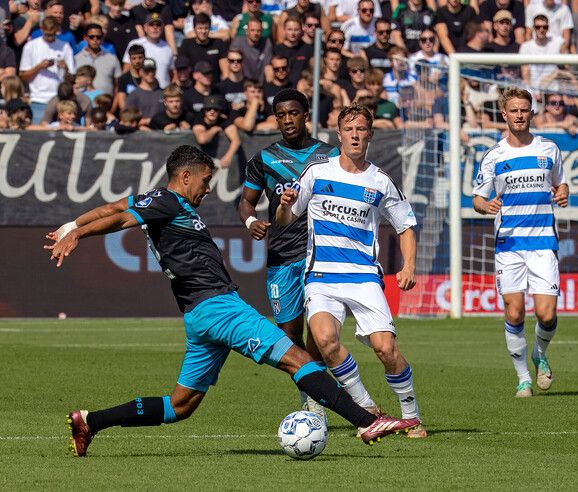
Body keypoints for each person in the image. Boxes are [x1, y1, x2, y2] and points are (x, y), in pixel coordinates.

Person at [45, 145, 419, 457]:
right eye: (206, 181)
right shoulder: (168, 202)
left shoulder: (160, 201)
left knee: (181, 406)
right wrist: (80, 236)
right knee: (299, 358)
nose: (208, 189)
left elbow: (113, 208)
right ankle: (367, 421)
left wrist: (72, 225)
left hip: (199, 316)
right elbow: (120, 219)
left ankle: (89, 421)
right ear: (186, 176)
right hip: (219, 307)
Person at [274, 103, 427, 439]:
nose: (355, 135)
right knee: (326, 341)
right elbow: (286, 219)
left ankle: (412, 415)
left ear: (369, 135)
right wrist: (284, 206)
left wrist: (409, 266)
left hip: (363, 278)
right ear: (339, 135)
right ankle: (368, 409)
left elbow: (406, 226)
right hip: (321, 277)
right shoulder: (317, 172)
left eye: (362, 130)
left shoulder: (381, 181)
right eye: (350, 129)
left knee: (386, 349)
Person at [238, 89, 339, 417]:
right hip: (282, 256)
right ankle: (310, 384)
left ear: (306, 115)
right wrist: (251, 220)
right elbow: (246, 202)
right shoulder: (264, 159)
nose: (287, 120)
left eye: (293, 113)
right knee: (289, 335)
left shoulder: (329, 156)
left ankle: (315, 395)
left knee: (321, 330)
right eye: (281, 115)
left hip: (320, 254)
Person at [471, 87, 568, 398]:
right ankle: (523, 377)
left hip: (542, 242)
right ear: (504, 114)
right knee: (514, 314)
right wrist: (485, 206)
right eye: (513, 110)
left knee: (547, 315)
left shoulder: (549, 149)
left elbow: (560, 181)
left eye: (524, 110)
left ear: (531, 112)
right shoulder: (494, 156)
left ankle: (539, 352)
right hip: (509, 245)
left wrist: (563, 191)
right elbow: (477, 198)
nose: (519, 115)